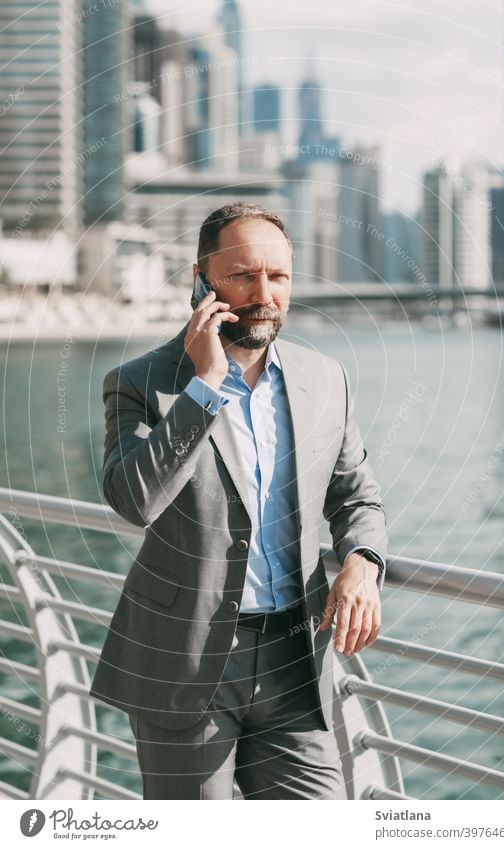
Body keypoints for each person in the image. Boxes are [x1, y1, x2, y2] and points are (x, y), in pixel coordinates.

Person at [89, 201, 388, 799]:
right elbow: (134, 500)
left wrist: (361, 562)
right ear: (202, 280)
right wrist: (203, 387)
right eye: (243, 275)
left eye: (278, 276)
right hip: (185, 663)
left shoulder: (325, 378)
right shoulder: (142, 382)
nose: (263, 293)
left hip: (295, 660)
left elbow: (358, 497)